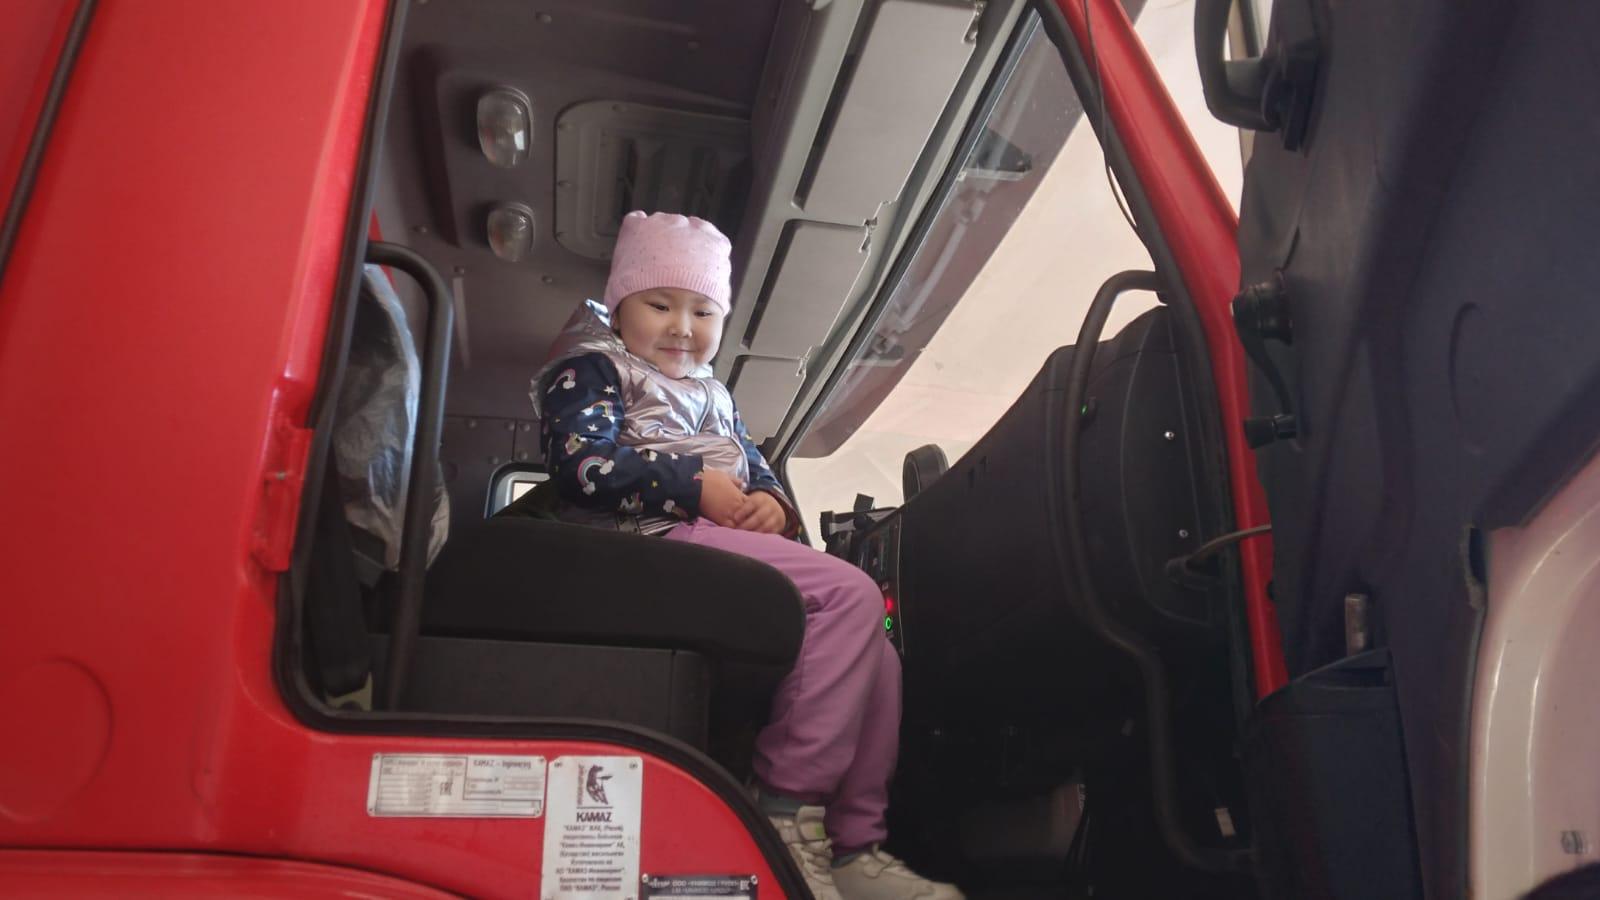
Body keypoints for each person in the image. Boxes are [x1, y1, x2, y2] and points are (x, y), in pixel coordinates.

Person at [530, 211, 963, 900]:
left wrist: (773, 506)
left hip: (708, 545)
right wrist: (691, 485)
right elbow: (580, 465)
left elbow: (755, 468)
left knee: (878, 653)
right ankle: (787, 808)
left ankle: (855, 846)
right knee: (852, 594)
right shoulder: (593, 369)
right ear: (620, 305)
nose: (682, 326)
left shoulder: (714, 393)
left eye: (703, 312)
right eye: (660, 304)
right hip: (641, 543)